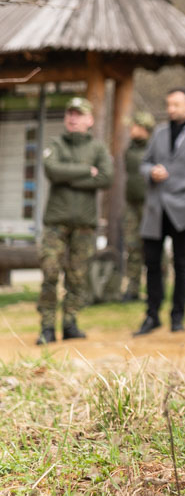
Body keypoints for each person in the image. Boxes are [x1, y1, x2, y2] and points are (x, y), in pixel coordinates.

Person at [137, 88, 185, 336]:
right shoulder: (159, 133)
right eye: (169, 104)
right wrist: (151, 172)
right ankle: (152, 315)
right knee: (152, 264)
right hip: (156, 207)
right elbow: (144, 163)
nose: (171, 109)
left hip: (184, 206)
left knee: (181, 264)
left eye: (177, 104)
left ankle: (177, 316)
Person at [36, 96, 111, 344]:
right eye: (70, 113)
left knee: (78, 276)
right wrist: (84, 170)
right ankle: (47, 327)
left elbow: (105, 178)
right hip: (56, 223)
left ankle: (70, 323)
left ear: (89, 119)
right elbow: (51, 171)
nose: (73, 118)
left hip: (85, 224)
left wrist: (67, 177)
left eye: (79, 114)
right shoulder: (56, 143)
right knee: (50, 271)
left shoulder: (98, 148)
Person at [119, 111, 156, 302]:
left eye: (134, 126)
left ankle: (156, 287)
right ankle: (132, 288)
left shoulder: (154, 148)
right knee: (131, 246)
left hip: (149, 205)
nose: (131, 129)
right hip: (131, 204)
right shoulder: (130, 149)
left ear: (144, 128)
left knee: (152, 248)